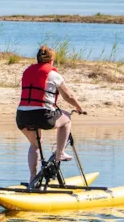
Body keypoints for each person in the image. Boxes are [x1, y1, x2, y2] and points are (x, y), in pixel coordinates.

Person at [16, 45, 85, 184]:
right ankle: (60, 153)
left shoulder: (27, 71)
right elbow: (68, 96)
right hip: (43, 116)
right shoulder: (53, 75)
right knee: (66, 119)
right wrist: (79, 108)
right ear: (51, 60)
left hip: (22, 116)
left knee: (35, 145)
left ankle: (32, 179)